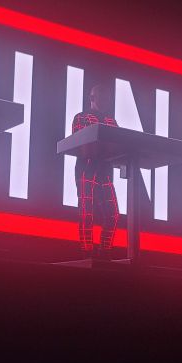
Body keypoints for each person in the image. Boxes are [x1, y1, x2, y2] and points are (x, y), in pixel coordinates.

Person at [72, 85, 119, 258]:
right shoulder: (81, 117)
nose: (104, 100)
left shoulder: (111, 120)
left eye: (106, 97)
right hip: (87, 168)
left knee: (113, 214)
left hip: (105, 171)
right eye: (100, 96)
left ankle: (105, 251)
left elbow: (121, 143)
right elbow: (77, 142)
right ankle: (86, 251)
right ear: (92, 97)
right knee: (87, 212)